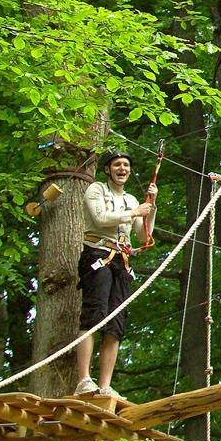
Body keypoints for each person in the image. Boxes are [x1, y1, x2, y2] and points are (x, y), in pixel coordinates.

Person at [74, 151, 156, 398]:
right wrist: (134, 213)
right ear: (108, 169)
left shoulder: (132, 199)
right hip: (98, 255)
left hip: (122, 261)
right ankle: (84, 380)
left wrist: (151, 208)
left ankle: (106, 384)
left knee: (116, 322)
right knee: (94, 313)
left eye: (127, 165)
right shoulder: (96, 190)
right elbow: (100, 219)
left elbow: (144, 237)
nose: (123, 169)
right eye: (117, 165)